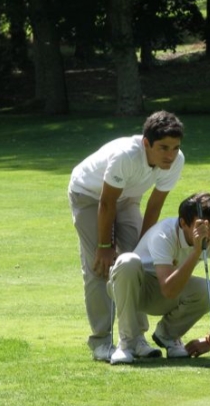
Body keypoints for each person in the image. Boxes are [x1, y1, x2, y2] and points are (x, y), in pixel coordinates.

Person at [68, 111, 185, 362]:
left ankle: (135, 338)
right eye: (163, 147)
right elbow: (106, 202)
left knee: (137, 265)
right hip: (89, 196)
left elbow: (154, 206)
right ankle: (101, 341)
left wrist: (144, 248)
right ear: (146, 143)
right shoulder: (126, 156)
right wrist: (104, 246)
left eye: (175, 148)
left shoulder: (176, 161)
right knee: (100, 266)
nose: (170, 155)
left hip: (127, 198)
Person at [107, 192, 210, 365]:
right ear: (183, 223)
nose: (207, 234)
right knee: (128, 261)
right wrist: (196, 253)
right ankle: (126, 343)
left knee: (208, 290)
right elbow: (168, 290)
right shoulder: (164, 234)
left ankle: (167, 336)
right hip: (132, 289)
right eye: (200, 227)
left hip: (164, 293)